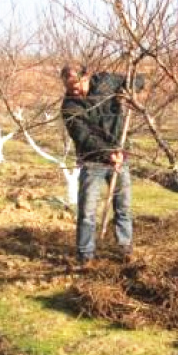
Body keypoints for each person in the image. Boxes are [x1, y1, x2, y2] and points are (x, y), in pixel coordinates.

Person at [60, 64, 144, 265]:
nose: (74, 91)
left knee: (123, 206)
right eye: (69, 88)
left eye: (76, 85)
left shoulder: (106, 82)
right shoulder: (69, 106)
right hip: (93, 161)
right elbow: (84, 137)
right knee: (87, 211)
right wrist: (109, 154)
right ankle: (85, 255)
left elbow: (138, 79)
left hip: (120, 155)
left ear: (86, 77)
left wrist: (129, 91)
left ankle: (125, 248)